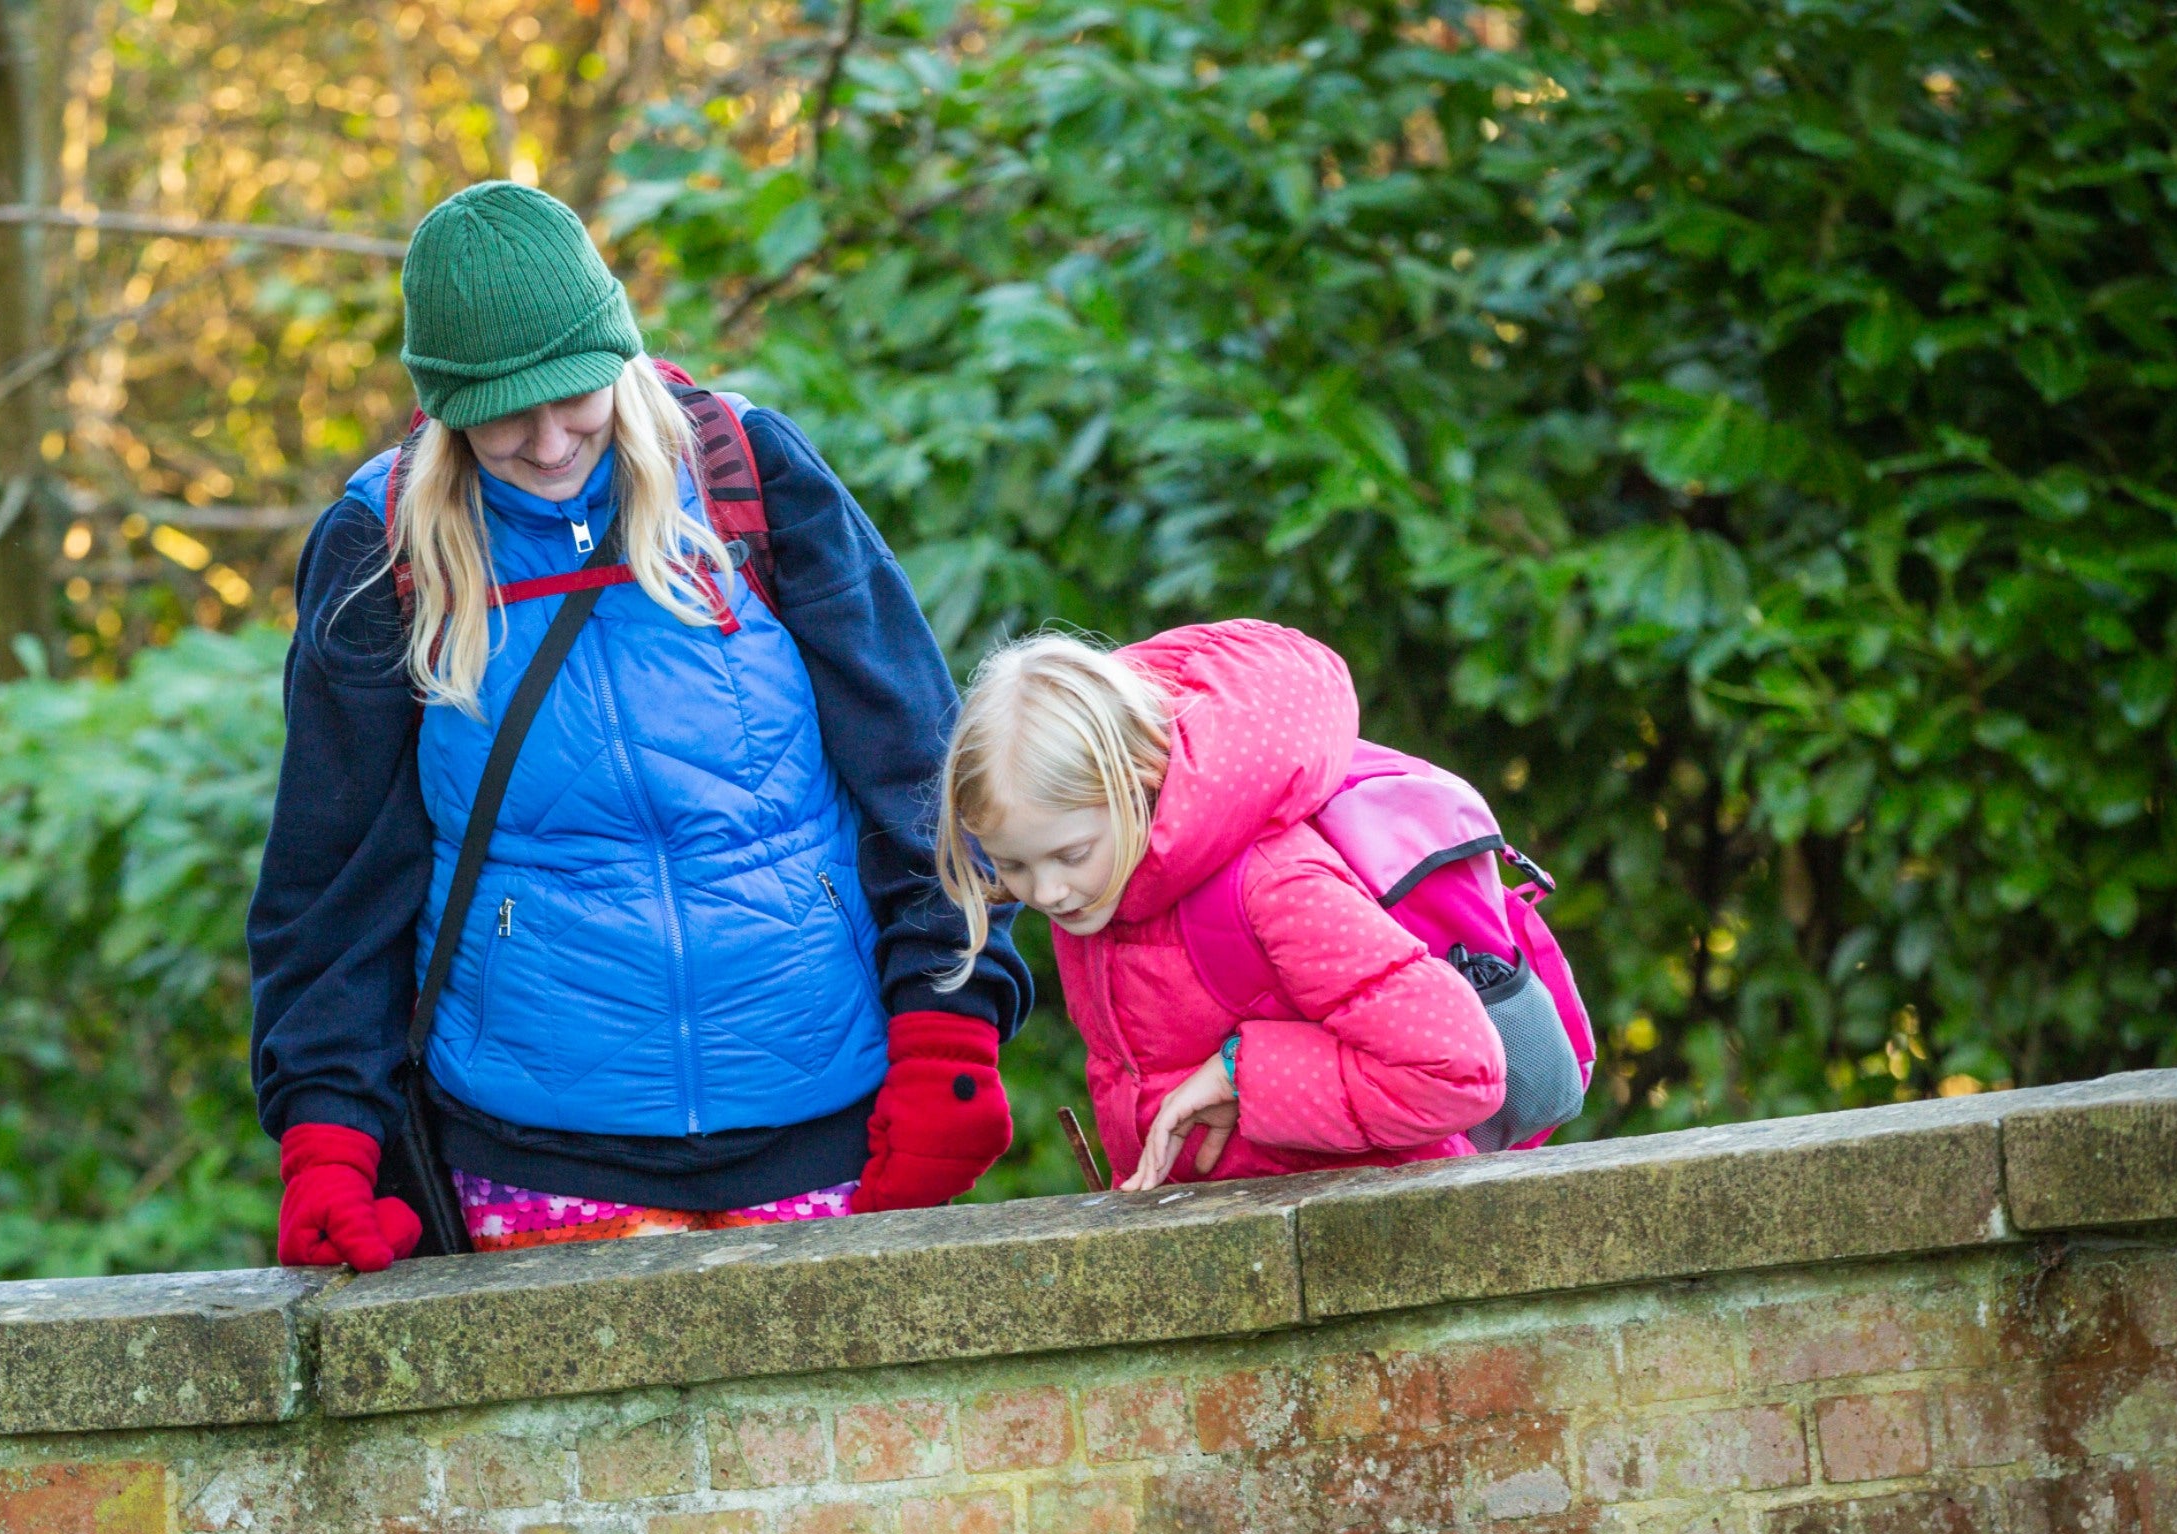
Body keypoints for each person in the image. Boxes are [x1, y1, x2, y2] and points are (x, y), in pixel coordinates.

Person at [247, 182, 1030, 1271]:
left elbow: (920, 772)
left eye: (575, 396)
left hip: (822, 1118)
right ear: (439, 404)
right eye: (504, 412)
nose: (551, 439)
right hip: (536, 1153)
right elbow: (332, 875)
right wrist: (328, 1134)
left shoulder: (751, 475)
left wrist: (953, 1030)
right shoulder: (381, 550)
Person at [932, 622, 1505, 1192]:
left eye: (1071, 854)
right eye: (1014, 866)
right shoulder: (1098, 896)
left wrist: (1242, 1076)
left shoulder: (1273, 885)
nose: (1048, 892)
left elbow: (1456, 1069)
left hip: (1368, 1242)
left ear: (1137, 784)